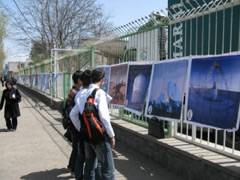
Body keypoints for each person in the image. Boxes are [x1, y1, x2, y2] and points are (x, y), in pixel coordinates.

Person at [84, 68, 115, 180]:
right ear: (102, 80)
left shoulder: (84, 92)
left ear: (91, 79)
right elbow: (104, 117)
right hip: (99, 136)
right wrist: (111, 135)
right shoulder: (100, 93)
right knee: (108, 171)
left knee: (89, 166)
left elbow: (75, 114)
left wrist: (83, 129)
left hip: (87, 135)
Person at [70, 69, 92, 180]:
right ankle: (77, 172)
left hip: (79, 128)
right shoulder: (79, 93)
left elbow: (72, 114)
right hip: (83, 129)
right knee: (87, 156)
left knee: (79, 153)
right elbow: (72, 114)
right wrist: (79, 128)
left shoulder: (77, 93)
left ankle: (76, 173)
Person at [65, 70, 83, 177]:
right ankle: (74, 169)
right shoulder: (75, 93)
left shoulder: (73, 91)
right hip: (74, 124)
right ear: (79, 80)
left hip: (72, 123)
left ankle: (71, 166)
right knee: (77, 148)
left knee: (76, 147)